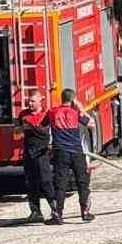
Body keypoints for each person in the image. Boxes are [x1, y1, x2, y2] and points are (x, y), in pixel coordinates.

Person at [47, 89, 93, 224]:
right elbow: (91, 124)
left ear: (62, 98)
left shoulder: (53, 112)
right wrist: (81, 108)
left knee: (60, 184)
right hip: (76, 152)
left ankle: (58, 215)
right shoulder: (76, 113)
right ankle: (85, 213)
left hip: (60, 152)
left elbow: (43, 125)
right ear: (73, 100)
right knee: (82, 182)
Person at [16, 92, 53, 223]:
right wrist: (22, 128)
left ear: (40, 101)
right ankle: (35, 212)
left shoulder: (47, 114)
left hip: (42, 152)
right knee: (31, 182)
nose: (29, 104)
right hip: (29, 152)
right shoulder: (23, 114)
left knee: (46, 180)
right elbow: (15, 131)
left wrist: (32, 127)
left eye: (32, 101)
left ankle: (55, 209)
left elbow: (49, 130)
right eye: (29, 101)